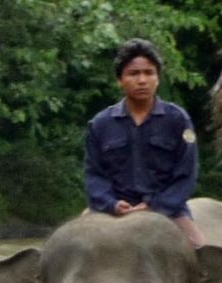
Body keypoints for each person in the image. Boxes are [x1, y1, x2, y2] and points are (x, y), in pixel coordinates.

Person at [84, 38, 207, 247]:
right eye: (133, 74)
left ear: (158, 78)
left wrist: (154, 207)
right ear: (120, 80)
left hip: (168, 212)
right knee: (69, 249)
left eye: (149, 73)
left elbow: (186, 175)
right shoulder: (100, 124)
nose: (142, 80)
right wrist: (112, 204)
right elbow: (94, 175)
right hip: (110, 212)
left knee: (199, 254)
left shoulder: (178, 120)